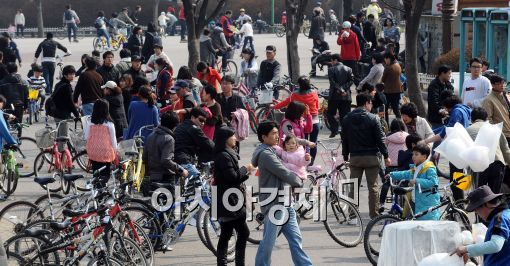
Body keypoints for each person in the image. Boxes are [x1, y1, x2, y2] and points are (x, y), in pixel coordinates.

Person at [252, 121, 312, 266]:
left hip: (286, 202)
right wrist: (298, 181)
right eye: (273, 134)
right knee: (268, 242)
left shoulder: (274, 150)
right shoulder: (266, 154)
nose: (277, 136)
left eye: (276, 133)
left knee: (296, 240)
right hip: (275, 204)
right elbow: (283, 171)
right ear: (264, 137)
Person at [341, 93, 389, 218]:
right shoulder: (373, 118)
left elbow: (344, 139)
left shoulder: (347, 118)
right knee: (373, 187)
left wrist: (345, 156)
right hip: (371, 157)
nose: (371, 105)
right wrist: (386, 155)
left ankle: (352, 216)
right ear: (366, 103)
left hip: (355, 157)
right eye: (371, 103)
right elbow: (380, 139)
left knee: (353, 186)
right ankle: (374, 215)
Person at [214, 126, 252, 266]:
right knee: (243, 233)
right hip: (229, 199)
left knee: (225, 234)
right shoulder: (224, 156)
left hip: (225, 198)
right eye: (233, 136)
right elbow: (232, 177)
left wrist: (245, 174)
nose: (235, 138)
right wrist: (245, 169)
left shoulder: (226, 153)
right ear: (226, 139)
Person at [422, 94, 471, 201]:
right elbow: (444, 131)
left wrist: (432, 145)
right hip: (464, 148)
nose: (444, 110)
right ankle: (461, 201)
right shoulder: (465, 110)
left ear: (448, 106)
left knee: (455, 178)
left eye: (444, 107)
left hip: (457, 149)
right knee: (460, 174)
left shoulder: (456, 112)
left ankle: (460, 202)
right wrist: (428, 139)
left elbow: (447, 132)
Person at [451, 186, 510, 265]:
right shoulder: (506, 213)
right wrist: (470, 253)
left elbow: (496, 245)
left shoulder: (500, 218)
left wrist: (466, 248)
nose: (477, 213)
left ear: (486, 204)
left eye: (476, 209)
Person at [387, 143, 440, 220]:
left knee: (426, 225)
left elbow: (433, 182)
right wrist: (392, 175)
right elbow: (405, 173)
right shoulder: (416, 167)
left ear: (424, 156)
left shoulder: (429, 168)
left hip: (427, 203)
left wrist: (417, 181)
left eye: (416, 154)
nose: (413, 157)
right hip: (416, 200)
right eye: (413, 154)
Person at [466, 107, 510, 193]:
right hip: (497, 164)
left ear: (471, 119)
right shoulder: (496, 129)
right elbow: (506, 151)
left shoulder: (467, 130)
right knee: (494, 196)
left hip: (479, 166)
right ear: (486, 118)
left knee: (480, 197)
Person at [144, 111, 187, 186]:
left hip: (152, 177)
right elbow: (166, 160)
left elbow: (144, 157)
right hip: (166, 178)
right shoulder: (169, 139)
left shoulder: (151, 136)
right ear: (174, 126)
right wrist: (181, 170)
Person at [84, 99, 117, 187]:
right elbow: (113, 140)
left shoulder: (90, 122)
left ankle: (96, 190)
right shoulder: (109, 123)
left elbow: (86, 137)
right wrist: (116, 151)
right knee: (106, 173)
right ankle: (101, 189)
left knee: (96, 172)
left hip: (93, 151)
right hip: (105, 151)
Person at [174, 107, 215, 177]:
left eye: (205, 121)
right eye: (201, 120)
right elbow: (208, 144)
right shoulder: (194, 128)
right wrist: (223, 149)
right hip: (184, 161)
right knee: (199, 183)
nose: (203, 123)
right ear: (193, 117)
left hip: (175, 161)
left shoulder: (181, 125)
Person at [327, 53, 354, 138]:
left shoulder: (331, 69)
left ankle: (334, 129)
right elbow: (351, 81)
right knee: (345, 116)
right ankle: (345, 132)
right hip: (346, 96)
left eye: (332, 61)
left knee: (330, 114)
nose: (331, 62)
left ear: (335, 60)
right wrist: (344, 89)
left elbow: (333, 82)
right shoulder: (349, 69)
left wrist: (340, 90)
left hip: (334, 96)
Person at [483, 75, 510, 143]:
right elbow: (488, 118)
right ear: (492, 85)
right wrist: (495, 132)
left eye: (503, 83)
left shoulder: (506, 95)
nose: (502, 85)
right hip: (501, 134)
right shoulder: (488, 100)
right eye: (499, 83)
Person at [381, 52, 402, 122]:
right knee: (396, 108)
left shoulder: (388, 68)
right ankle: (400, 122)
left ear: (388, 59)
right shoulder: (398, 65)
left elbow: (383, 79)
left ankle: (386, 123)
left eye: (385, 60)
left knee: (385, 109)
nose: (385, 61)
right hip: (397, 90)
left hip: (389, 91)